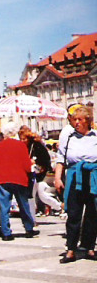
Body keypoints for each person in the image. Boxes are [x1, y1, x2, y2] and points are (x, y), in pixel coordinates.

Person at [54, 105, 97, 263]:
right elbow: (61, 160)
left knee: (93, 213)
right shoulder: (69, 137)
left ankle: (90, 248)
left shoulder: (95, 137)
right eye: (74, 120)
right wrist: (58, 178)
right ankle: (71, 249)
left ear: (87, 120)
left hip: (93, 176)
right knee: (73, 213)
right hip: (74, 176)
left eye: (80, 119)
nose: (76, 122)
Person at [0, 121, 39, 240]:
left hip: (3, 179)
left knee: (4, 207)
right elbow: (27, 166)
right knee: (23, 205)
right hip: (19, 179)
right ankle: (28, 228)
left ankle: (6, 233)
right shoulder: (21, 145)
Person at [17, 125, 58, 217]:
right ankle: (32, 217)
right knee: (32, 195)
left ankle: (59, 207)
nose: (23, 141)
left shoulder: (36, 146)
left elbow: (45, 158)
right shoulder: (22, 147)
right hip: (29, 173)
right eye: (21, 139)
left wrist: (36, 162)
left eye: (24, 139)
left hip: (40, 174)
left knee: (41, 195)